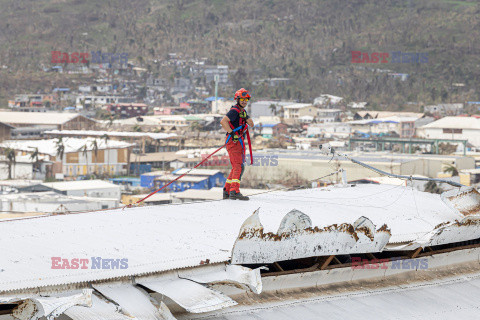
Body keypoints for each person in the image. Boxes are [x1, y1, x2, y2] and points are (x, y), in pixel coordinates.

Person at [220, 88, 254, 200]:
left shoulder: (242, 112)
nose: (244, 101)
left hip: (238, 142)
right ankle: (234, 191)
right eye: (242, 99)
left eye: (246, 99)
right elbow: (223, 121)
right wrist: (232, 133)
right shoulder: (234, 111)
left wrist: (246, 117)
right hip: (233, 141)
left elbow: (251, 124)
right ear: (237, 99)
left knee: (238, 167)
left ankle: (227, 190)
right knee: (238, 167)